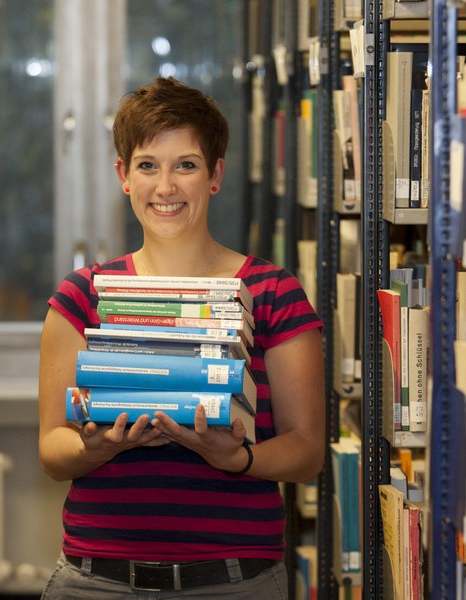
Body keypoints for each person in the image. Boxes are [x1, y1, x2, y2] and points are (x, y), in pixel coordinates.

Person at [37, 76, 325, 599]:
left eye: (185, 165)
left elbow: (307, 451)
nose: (165, 187)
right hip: (96, 580)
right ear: (124, 175)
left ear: (214, 175)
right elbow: (53, 449)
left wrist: (236, 458)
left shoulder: (272, 292)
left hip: (233, 582)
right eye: (148, 165)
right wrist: (93, 446)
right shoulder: (83, 295)